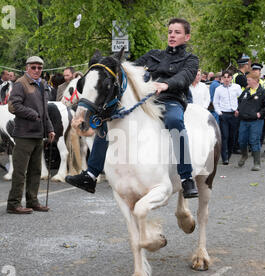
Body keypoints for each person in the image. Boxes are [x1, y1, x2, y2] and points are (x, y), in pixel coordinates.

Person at [66, 18, 199, 198]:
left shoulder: (190, 59)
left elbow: (185, 76)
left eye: (177, 32)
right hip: (144, 100)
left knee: (175, 121)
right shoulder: (153, 55)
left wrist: (166, 85)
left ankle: (186, 177)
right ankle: (90, 175)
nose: (172, 35)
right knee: (106, 120)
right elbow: (126, 69)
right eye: (170, 32)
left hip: (171, 100)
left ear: (187, 37)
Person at [6, 56, 55, 214]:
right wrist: (32, 114)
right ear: (27, 68)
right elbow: (13, 106)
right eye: (33, 67)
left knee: (36, 170)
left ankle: (32, 201)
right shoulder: (21, 83)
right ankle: (13, 204)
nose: (36, 70)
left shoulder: (42, 84)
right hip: (24, 134)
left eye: (39, 68)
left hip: (38, 135)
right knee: (20, 171)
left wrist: (50, 129)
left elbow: (45, 110)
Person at [235, 71, 265, 170]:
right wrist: (238, 110)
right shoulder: (246, 91)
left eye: (249, 80)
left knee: (254, 140)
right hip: (244, 120)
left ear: (256, 80)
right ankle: (244, 155)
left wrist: (260, 113)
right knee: (242, 140)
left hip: (256, 121)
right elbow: (240, 102)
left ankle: (257, 163)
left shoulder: (263, 93)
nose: (247, 82)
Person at [213, 70, 242, 164]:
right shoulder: (219, 89)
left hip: (234, 114)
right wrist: (219, 113)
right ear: (222, 79)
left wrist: (238, 110)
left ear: (231, 78)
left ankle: (229, 154)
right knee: (224, 136)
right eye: (224, 77)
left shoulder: (236, 87)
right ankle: (224, 157)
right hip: (224, 115)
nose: (226, 79)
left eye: (228, 77)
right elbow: (215, 102)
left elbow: (241, 100)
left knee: (232, 137)